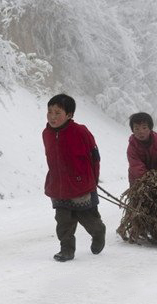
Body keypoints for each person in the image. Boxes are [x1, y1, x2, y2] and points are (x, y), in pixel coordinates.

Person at [43, 94, 106, 262]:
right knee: (63, 222)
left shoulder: (80, 131)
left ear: (69, 115)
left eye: (57, 112)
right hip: (59, 186)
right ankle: (67, 250)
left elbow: (95, 156)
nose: (52, 116)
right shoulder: (46, 133)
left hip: (81, 185)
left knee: (88, 218)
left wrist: (93, 179)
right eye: (49, 112)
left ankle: (98, 232)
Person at [127, 112, 157, 185]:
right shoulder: (132, 148)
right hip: (138, 180)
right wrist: (151, 179)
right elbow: (137, 168)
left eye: (144, 127)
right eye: (137, 128)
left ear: (150, 128)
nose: (141, 132)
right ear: (132, 130)